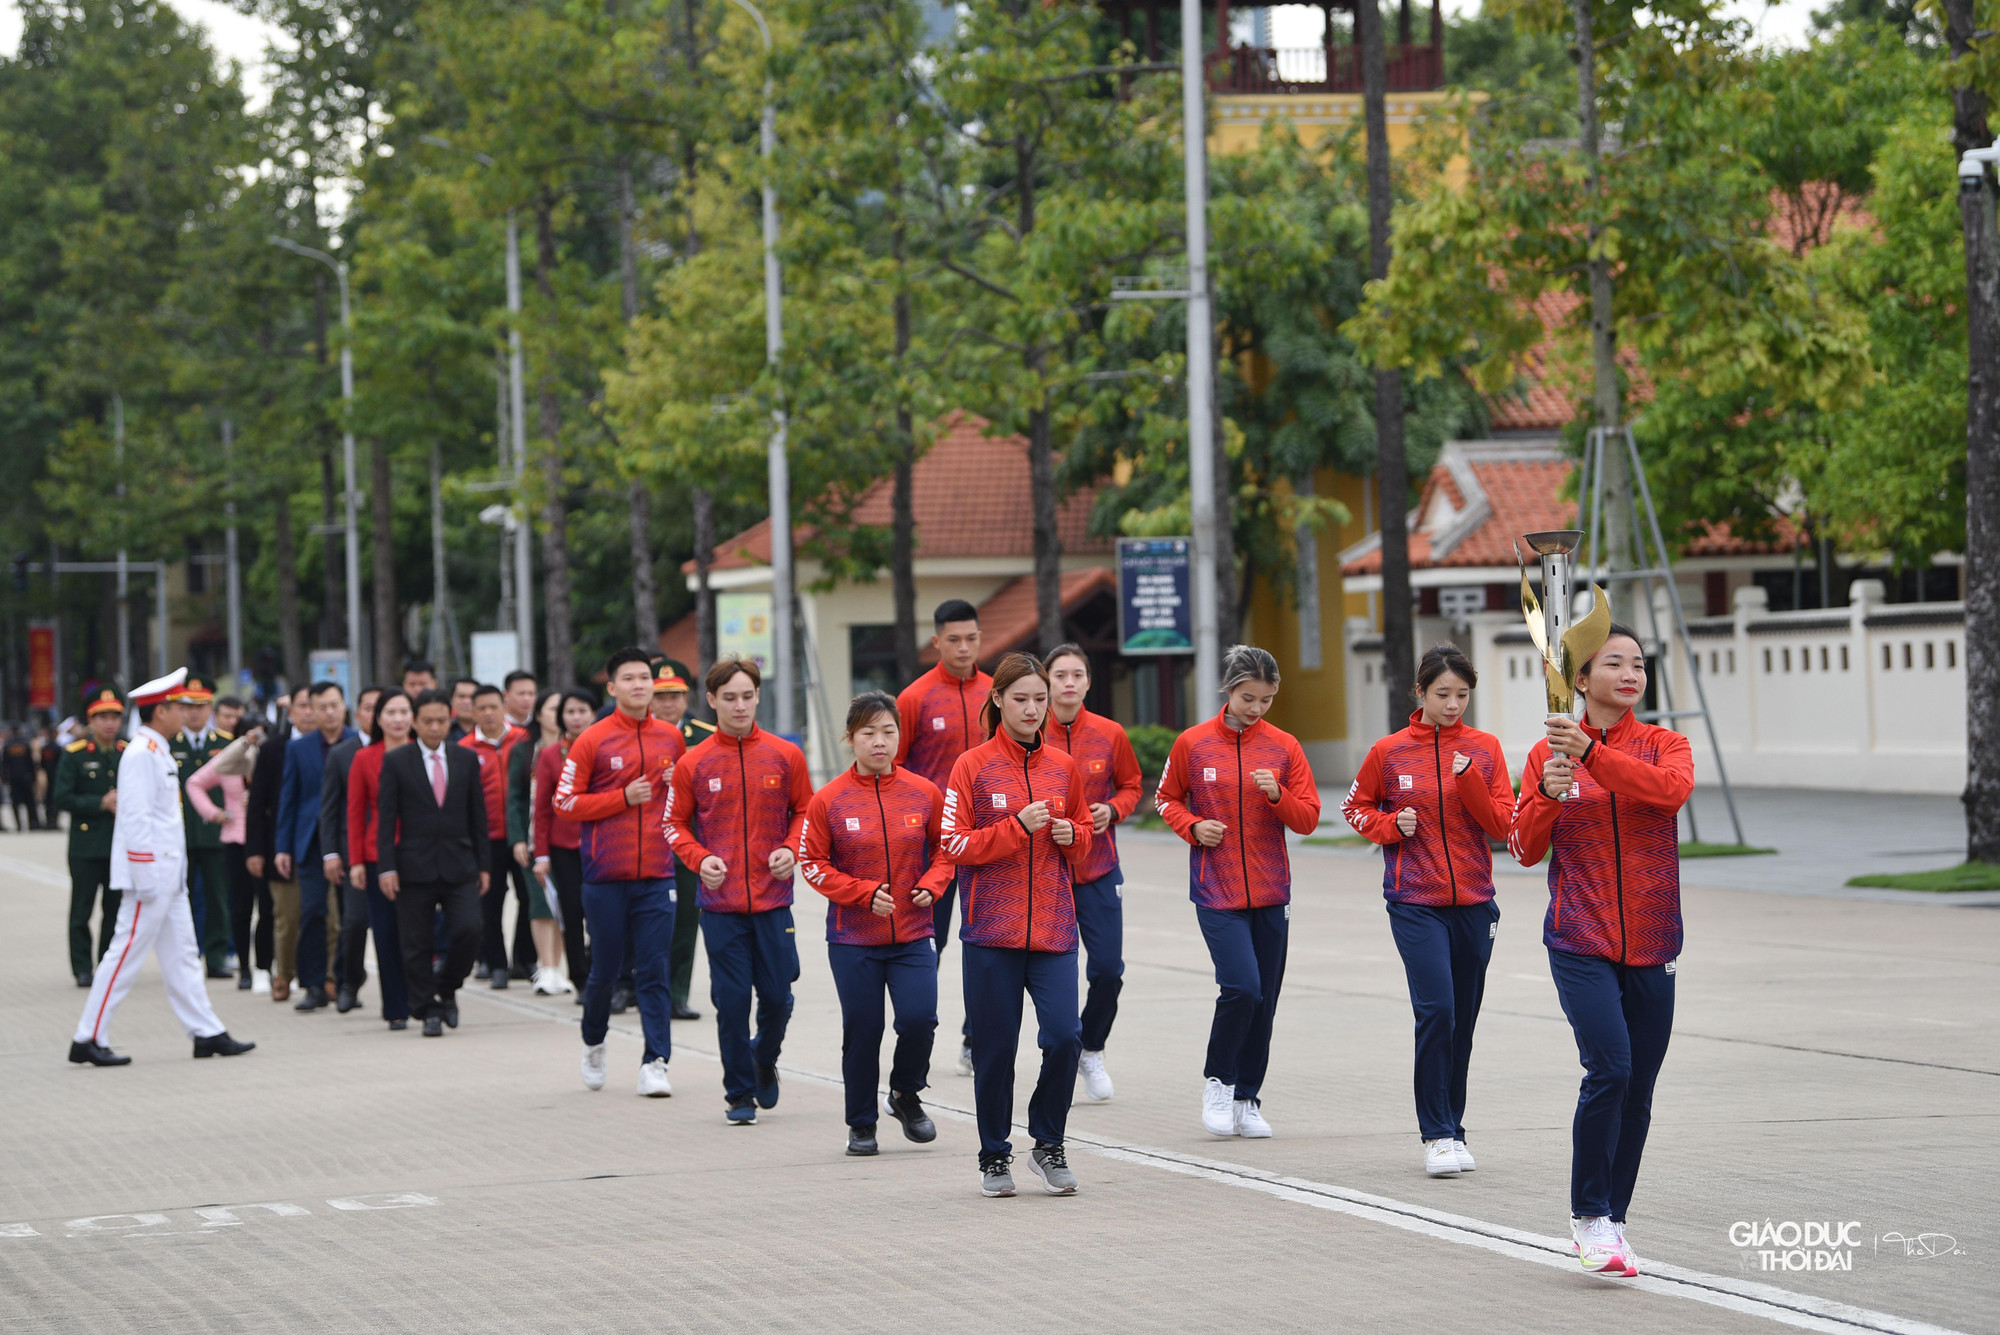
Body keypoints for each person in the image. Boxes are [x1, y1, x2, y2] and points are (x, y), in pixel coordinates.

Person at [1509, 624, 1693, 1279]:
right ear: (1578, 681)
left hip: (1653, 939)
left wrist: (1592, 753)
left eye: (1638, 662)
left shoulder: (1665, 744)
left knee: (1638, 1088)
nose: (1630, 671)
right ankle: (1588, 1215)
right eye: (1612, 662)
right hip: (1579, 939)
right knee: (1609, 1068)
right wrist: (1549, 796)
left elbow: (1666, 792)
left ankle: (1612, 1221)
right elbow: (1524, 848)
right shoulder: (1545, 754)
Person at [1341, 643, 1516, 1178]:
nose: (1453, 704)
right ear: (1420, 693)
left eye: (1463, 695)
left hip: (1475, 902)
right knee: (1436, 1010)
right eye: (1443, 694)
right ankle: (1436, 1134)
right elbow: (1355, 807)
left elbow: (1503, 824)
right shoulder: (1388, 752)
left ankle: (1456, 1128)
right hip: (1415, 901)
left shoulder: (1485, 749)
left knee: (1462, 1020)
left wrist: (1469, 784)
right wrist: (1391, 827)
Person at [937, 652, 1092, 1197]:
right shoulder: (972, 766)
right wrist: (1015, 829)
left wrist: (1076, 835)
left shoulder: (1062, 767)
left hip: (1053, 929)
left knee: (1066, 1037)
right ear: (998, 700)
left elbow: (1082, 835)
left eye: (1040, 699)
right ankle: (994, 1155)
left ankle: (1048, 1142)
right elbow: (953, 844)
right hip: (990, 935)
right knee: (996, 1051)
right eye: (1021, 699)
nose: (1032, 709)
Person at [1154, 644, 1321, 1141]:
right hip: (1216, 890)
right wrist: (1193, 825)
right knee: (1241, 988)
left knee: (1264, 999)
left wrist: (1278, 795)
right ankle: (1219, 1082)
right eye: (1249, 698)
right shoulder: (1193, 743)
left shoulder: (1285, 747)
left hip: (1272, 890)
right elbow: (1165, 799)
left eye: (1266, 700)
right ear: (1228, 690)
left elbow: (1309, 818)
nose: (1257, 708)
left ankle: (1248, 1097)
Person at [69, 667, 254, 1066]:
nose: (184, 713)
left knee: (184, 954)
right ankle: (88, 1036)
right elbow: (134, 820)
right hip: (150, 876)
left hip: (170, 876)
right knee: (123, 955)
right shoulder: (140, 754)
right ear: (160, 712)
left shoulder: (155, 750)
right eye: (177, 707)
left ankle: (206, 1032)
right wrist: (145, 874)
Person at [798, 691, 949, 1156]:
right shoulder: (829, 800)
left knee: (920, 1019)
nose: (879, 742)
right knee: (863, 1030)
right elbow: (812, 862)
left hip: (914, 932)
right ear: (850, 738)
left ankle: (906, 1094)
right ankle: (861, 1124)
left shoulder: (924, 792)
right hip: (852, 939)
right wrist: (862, 894)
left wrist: (933, 883)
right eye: (869, 733)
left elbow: (947, 849)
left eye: (888, 732)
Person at [664, 657, 812, 1125]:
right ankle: (739, 1093)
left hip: (773, 901)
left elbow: (805, 811)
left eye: (748, 695)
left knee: (778, 997)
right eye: (729, 697)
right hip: (721, 904)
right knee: (730, 1001)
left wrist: (792, 847)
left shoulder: (785, 755)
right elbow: (673, 824)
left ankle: (763, 1059)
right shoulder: (694, 762)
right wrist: (699, 858)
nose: (740, 705)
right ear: (711, 701)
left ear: (758, 697)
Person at [553, 649, 685, 1097]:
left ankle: (656, 1062)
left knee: (653, 970)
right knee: (604, 972)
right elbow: (564, 802)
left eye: (644, 677)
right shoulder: (592, 739)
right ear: (611, 688)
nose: (638, 685)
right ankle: (594, 1042)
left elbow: (685, 801)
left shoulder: (671, 738)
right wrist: (621, 798)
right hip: (605, 878)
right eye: (628, 678)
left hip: (657, 876)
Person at [1039, 643, 1143, 1102]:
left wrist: (1113, 809)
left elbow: (1132, 785)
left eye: (1077, 674)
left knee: (1107, 969)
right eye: (1059, 674)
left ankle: (1091, 1048)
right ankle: (1055, 1052)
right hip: (1046, 874)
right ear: (1045, 681)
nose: (1068, 682)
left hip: (1099, 868)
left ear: (1087, 681)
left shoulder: (1109, 733)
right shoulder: (1030, 732)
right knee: (1045, 969)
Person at [894, 598, 992, 1076]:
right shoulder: (914, 699)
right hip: (936, 848)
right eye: (953, 639)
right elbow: (895, 768)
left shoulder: (998, 693)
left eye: (971, 638)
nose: (963, 647)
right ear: (936, 641)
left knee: (989, 943)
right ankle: (918, 1036)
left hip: (995, 843)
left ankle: (977, 1039)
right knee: (931, 943)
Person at [376, 689, 491, 1037]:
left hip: (459, 863)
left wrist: (484, 865)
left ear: (451, 717)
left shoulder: (465, 759)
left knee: (470, 929)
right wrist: (386, 866)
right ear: (414, 721)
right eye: (427, 720)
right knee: (416, 942)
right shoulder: (397, 761)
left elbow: (478, 816)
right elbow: (385, 819)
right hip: (413, 866)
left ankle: (448, 984)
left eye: (442, 719)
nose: (435, 727)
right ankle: (427, 1009)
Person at [275, 681, 357, 1012]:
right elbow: (289, 800)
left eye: (334, 705)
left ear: (344, 706)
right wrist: (283, 846)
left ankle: (343, 979)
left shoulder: (358, 742)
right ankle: (312, 985)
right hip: (310, 841)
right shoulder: (299, 748)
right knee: (312, 913)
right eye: (320, 706)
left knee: (351, 918)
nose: (327, 712)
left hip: (350, 839)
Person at [344, 689, 413, 1030]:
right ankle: (396, 1007)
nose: (398, 719)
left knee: (418, 933)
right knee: (385, 932)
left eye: (404, 712)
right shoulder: (364, 758)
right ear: (378, 719)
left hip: (420, 853)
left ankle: (422, 996)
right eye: (391, 713)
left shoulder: (424, 753)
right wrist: (356, 861)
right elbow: (356, 813)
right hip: (376, 856)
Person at [187, 715, 271, 991]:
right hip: (236, 839)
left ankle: (266, 965)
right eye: (248, 735)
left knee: (269, 908)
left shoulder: (269, 758)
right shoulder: (230, 760)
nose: (254, 741)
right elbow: (195, 783)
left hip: (265, 839)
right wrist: (215, 813)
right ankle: (244, 968)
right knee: (240, 907)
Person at [52, 689, 127, 987]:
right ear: (91, 720)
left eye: (114, 717)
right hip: (86, 846)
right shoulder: (75, 754)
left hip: (118, 845)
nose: (109, 724)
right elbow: (62, 797)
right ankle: (82, 967)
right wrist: (100, 803)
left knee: (115, 909)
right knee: (81, 910)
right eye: (102, 717)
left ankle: (108, 964)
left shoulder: (127, 751)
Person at [461, 683, 533, 985]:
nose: (489, 713)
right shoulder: (464, 748)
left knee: (530, 896)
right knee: (489, 903)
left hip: (520, 835)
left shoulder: (524, 740)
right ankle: (496, 963)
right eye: (482, 708)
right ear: (473, 712)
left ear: (504, 707)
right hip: (485, 837)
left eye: (494, 706)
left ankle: (525, 959)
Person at [652, 666, 712, 1020]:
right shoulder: (637, 736)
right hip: (644, 841)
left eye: (674, 695)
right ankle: (634, 987)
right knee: (643, 922)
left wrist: (691, 777)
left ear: (685, 698)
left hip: (689, 841)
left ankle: (677, 993)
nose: (668, 703)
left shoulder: (705, 735)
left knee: (686, 922)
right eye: (661, 696)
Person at [245, 687, 311, 1002]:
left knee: (321, 915)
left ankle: (314, 974)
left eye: (317, 705)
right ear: (291, 711)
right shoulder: (274, 750)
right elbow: (257, 802)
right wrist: (255, 849)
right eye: (303, 706)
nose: (311, 712)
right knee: (279, 913)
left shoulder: (339, 745)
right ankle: (271, 970)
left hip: (317, 845)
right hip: (278, 843)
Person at [166, 676, 232, 978]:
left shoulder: (226, 745)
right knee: (182, 900)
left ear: (211, 708)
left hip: (217, 835)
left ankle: (217, 956)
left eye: (201, 706)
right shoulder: (168, 745)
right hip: (180, 835)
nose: (194, 713)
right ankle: (186, 957)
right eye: (188, 707)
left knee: (219, 898)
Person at [506, 688, 570, 995]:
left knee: (563, 905)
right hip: (534, 839)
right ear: (540, 713)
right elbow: (515, 798)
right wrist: (517, 837)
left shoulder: (573, 747)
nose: (557, 714)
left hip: (568, 838)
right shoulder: (525, 749)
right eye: (552, 708)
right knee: (540, 902)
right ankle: (545, 967)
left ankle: (558, 969)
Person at [320, 686, 381, 1011]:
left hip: (392, 852)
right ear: (357, 714)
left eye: (379, 708)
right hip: (353, 853)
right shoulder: (343, 753)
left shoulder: (402, 750)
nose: (374, 715)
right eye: (368, 708)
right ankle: (349, 981)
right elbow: (329, 809)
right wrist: (331, 852)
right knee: (354, 923)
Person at [5, 726, 41, 829]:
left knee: (15, 803)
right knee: (30, 801)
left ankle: (19, 824)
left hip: (13, 778)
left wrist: (6, 778)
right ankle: (33, 823)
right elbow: (31, 762)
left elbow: (5, 764)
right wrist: (33, 777)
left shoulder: (8, 745)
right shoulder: (26, 744)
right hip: (26, 777)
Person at [447, 677, 479, 743]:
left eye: (472, 697)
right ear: (452, 700)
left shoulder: (489, 729)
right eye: (461, 696)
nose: (467, 702)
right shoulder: (444, 730)